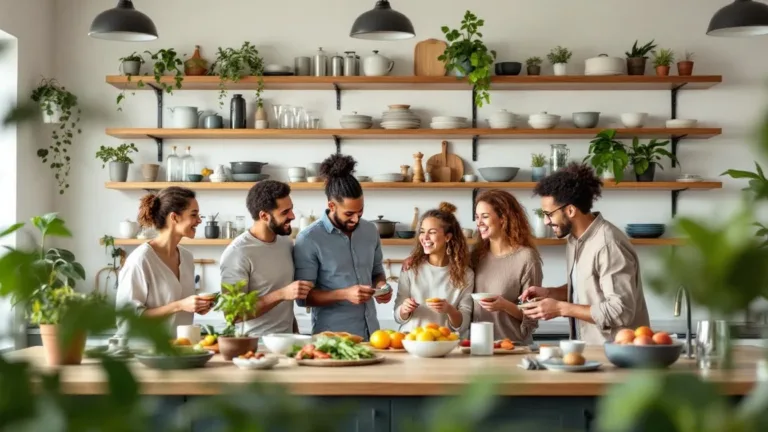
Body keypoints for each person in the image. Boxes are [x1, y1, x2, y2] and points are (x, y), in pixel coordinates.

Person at [520, 163, 650, 344]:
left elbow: (620, 311)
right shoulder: (575, 241)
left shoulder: (608, 244)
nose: (546, 221)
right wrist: (550, 293)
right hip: (591, 352)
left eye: (549, 214)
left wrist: (560, 309)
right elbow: (587, 288)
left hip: (616, 355)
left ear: (571, 210)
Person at [293, 154, 392, 340]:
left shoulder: (370, 231)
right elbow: (303, 298)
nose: (356, 219)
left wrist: (381, 286)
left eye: (360, 212)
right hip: (332, 338)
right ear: (331, 205)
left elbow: (376, 271)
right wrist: (345, 294)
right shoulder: (308, 239)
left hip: (373, 335)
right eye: (349, 213)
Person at [219, 180, 313, 337]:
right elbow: (233, 313)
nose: (292, 216)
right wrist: (282, 294)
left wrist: (296, 335)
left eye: (291, 209)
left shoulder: (285, 242)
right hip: (254, 344)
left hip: (287, 340)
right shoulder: (237, 253)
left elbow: (284, 308)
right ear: (263, 215)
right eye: (285, 212)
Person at [116, 187, 213, 334]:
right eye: (194, 214)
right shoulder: (141, 260)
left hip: (180, 347)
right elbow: (127, 320)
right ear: (174, 218)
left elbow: (180, 306)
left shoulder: (186, 258)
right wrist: (179, 306)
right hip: (142, 351)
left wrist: (196, 306)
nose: (199, 220)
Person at [471, 190, 543, 343]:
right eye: (477, 217)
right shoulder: (476, 256)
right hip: (478, 345)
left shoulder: (527, 258)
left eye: (485, 216)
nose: (479, 222)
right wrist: (417, 258)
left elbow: (532, 316)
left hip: (513, 347)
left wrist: (504, 306)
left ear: (503, 218)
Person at [394, 202, 473, 336]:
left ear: (447, 237)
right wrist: (404, 309)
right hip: (410, 342)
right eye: (422, 232)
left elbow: (463, 324)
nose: (425, 238)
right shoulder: (410, 268)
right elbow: (397, 316)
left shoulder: (466, 274)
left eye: (432, 232)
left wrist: (449, 310)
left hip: (445, 345)